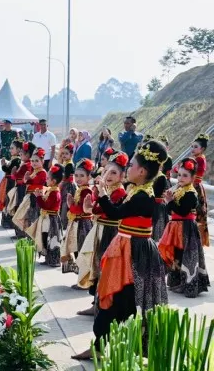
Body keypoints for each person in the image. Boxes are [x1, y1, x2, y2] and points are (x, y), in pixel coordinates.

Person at [72, 140, 169, 361]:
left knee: (122, 299)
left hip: (133, 254)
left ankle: (121, 347)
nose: (129, 169)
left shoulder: (144, 196)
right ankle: (101, 345)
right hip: (126, 247)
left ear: (142, 171)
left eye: (131, 165)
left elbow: (116, 214)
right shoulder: (137, 190)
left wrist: (103, 194)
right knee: (115, 298)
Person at [76, 151, 128, 316]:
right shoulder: (105, 190)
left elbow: (107, 211)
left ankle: (103, 305)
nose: (108, 175)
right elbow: (96, 209)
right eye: (106, 171)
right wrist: (89, 206)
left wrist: (95, 203)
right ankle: (96, 304)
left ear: (122, 176)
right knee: (96, 266)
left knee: (104, 268)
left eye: (113, 172)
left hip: (109, 232)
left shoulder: (118, 192)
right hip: (99, 229)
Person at [158, 158, 210, 298]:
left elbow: (182, 211)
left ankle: (188, 284)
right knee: (177, 255)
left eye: (185, 175)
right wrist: (169, 202)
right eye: (179, 175)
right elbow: (171, 211)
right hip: (175, 227)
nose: (180, 178)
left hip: (186, 229)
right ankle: (178, 282)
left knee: (186, 256)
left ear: (193, 178)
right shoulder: (179, 190)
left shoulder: (191, 193)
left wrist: (169, 202)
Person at [26, 164, 64, 267]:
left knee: (52, 239)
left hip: (51, 219)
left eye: (48, 178)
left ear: (54, 181)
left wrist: (38, 197)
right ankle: (48, 258)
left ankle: (53, 260)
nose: (46, 180)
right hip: (47, 218)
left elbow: (46, 206)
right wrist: (41, 196)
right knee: (46, 237)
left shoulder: (54, 193)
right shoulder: (51, 190)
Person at [62, 159, 94, 277]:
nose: (78, 178)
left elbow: (81, 209)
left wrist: (71, 205)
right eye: (76, 175)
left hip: (83, 224)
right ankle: (82, 277)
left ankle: (84, 278)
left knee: (81, 250)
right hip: (79, 222)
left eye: (82, 175)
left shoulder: (86, 190)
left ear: (89, 177)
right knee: (77, 249)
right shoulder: (81, 189)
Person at [12, 147, 47, 237]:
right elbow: (26, 181)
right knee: (25, 215)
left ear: (42, 161)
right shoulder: (34, 171)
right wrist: (26, 178)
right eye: (32, 161)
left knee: (34, 217)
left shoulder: (42, 172)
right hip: (30, 196)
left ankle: (33, 236)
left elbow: (36, 182)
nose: (34, 163)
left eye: (36, 161)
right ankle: (26, 235)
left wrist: (28, 179)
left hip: (36, 197)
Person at [191, 133, 209, 247]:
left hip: (195, 187)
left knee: (195, 214)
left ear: (202, 149)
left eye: (195, 147)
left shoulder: (199, 160)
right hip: (194, 186)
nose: (192, 149)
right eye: (192, 146)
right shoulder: (197, 158)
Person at [0, 140, 22, 228]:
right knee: (7, 200)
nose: (10, 150)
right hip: (9, 182)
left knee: (9, 200)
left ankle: (9, 221)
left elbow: (9, 171)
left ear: (19, 149)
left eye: (12, 148)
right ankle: (6, 220)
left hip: (11, 183)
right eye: (10, 148)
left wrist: (4, 165)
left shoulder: (17, 160)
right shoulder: (14, 159)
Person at [59, 143, 76, 231]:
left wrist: (60, 185)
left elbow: (65, 177)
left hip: (68, 187)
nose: (64, 155)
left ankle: (65, 224)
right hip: (65, 185)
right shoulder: (66, 163)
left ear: (71, 155)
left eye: (66, 153)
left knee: (66, 205)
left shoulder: (69, 164)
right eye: (63, 153)